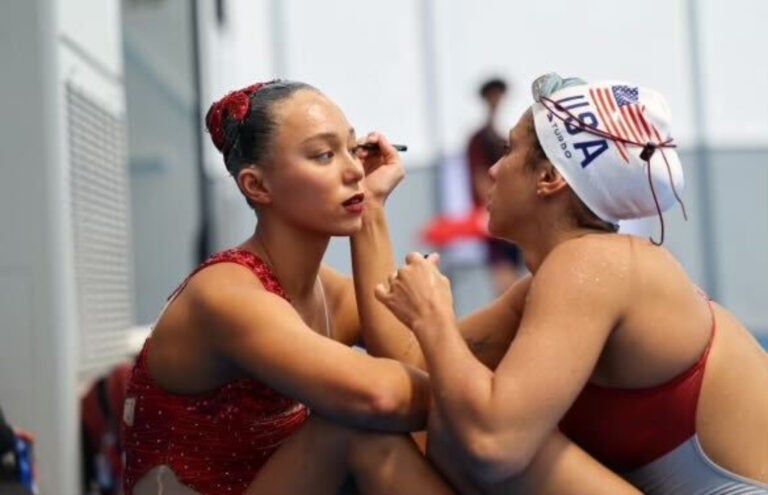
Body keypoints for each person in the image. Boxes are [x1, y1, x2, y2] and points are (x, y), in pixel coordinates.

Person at [372, 73, 768, 494]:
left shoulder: (593, 265)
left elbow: (494, 446)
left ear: (549, 179)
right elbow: (402, 364)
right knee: (435, 406)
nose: (492, 169)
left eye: (509, 150)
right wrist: (369, 208)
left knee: (457, 426)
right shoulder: (565, 278)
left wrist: (434, 319)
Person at [121, 80, 455, 495]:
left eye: (353, 149)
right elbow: (381, 396)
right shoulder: (227, 296)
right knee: (353, 426)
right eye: (324, 155)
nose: (354, 171)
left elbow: (410, 360)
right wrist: (489, 403)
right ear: (257, 186)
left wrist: (373, 211)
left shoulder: (326, 292)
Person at [467, 78, 524, 294]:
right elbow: (480, 177)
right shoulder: (479, 139)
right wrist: (493, 204)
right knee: (504, 276)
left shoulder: (502, 135)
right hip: (494, 214)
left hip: (511, 214)